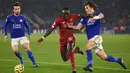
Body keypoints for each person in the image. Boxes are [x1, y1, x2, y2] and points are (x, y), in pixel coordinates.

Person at [68, 1, 127, 72]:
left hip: (97, 37)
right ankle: (119, 60)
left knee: (87, 47)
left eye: (87, 8)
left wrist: (95, 18)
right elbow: (78, 27)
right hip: (92, 40)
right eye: (85, 9)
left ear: (92, 7)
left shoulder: (96, 13)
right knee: (104, 57)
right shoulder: (84, 18)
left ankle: (90, 66)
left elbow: (102, 15)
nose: (86, 10)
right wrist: (71, 26)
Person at [37, 7, 84, 73]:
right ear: (62, 14)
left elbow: (81, 15)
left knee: (69, 48)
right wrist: (43, 37)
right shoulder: (58, 20)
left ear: (69, 13)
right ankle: (76, 51)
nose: (66, 16)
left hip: (70, 38)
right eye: (65, 14)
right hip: (62, 41)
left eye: (67, 14)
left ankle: (74, 69)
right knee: (65, 59)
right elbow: (51, 29)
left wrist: (90, 15)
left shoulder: (73, 16)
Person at [4, 2, 38, 67]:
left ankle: (34, 63)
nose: (17, 10)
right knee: (15, 51)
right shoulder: (9, 17)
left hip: (22, 37)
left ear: (20, 9)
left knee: (27, 48)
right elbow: (5, 26)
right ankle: (21, 58)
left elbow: (27, 26)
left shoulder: (23, 18)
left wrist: (29, 33)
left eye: (18, 9)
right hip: (14, 38)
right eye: (16, 9)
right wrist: (5, 34)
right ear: (13, 10)